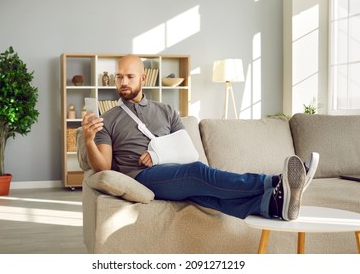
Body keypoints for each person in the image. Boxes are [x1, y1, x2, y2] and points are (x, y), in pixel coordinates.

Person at [81, 54, 319, 221]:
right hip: (141, 176)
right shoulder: (107, 119)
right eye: (119, 76)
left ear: (143, 79)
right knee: (197, 171)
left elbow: (186, 150)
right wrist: (90, 140)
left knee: (206, 194)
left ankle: (274, 206)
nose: (123, 82)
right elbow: (103, 167)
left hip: (172, 171)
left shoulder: (167, 110)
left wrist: (157, 155)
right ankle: (274, 182)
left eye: (129, 77)